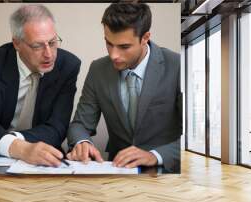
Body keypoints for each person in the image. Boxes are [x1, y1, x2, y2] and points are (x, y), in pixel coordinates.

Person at [66, 2, 182, 172]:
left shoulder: (177, 64)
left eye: (124, 47)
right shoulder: (98, 69)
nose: (113, 55)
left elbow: (192, 137)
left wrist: (155, 155)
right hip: (117, 171)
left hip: (166, 172)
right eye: (109, 43)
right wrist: (82, 142)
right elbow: (80, 124)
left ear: (145, 38)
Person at [0, 4, 81, 167]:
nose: (49, 54)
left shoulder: (68, 66)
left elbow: (57, 127)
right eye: (37, 46)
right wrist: (15, 148)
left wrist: (11, 144)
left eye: (53, 42)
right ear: (17, 43)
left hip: (32, 151)